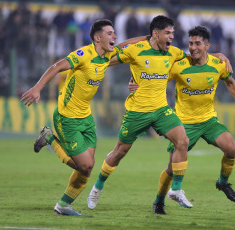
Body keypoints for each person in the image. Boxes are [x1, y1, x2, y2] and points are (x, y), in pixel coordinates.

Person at [21, 19, 148, 216]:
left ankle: (63, 205)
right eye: (109, 33)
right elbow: (56, 66)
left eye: (114, 33)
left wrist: (148, 38)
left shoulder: (107, 56)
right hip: (67, 118)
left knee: (87, 169)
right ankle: (50, 139)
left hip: (86, 118)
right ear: (98, 38)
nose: (114, 36)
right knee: (85, 165)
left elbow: (125, 46)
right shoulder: (83, 54)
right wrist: (37, 88)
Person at [129, 26, 235, 214]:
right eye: (190, 43)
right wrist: (135, 82)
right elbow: (156, 77)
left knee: (231, 149)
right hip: (183, 123)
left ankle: (222, 183)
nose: (193, 47)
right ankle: (159, 201)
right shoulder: (179, 65)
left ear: (207, 45)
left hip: (208, 121)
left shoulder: (218, 64)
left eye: (198, 43)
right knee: (171, 169)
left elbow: (230, 82)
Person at [86, 15, 194, 212]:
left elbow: (197, 57)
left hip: (162, 110)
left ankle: (176, 189)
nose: (171, 37)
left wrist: (221, 57)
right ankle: (98, 186)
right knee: (119, 152)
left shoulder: (174, 53)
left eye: (173, 33)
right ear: (155, 33)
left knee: (183, 141)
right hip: (137, 112)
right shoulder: (136, 50)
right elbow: (108, 59)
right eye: (167, 33)